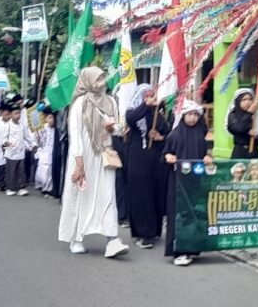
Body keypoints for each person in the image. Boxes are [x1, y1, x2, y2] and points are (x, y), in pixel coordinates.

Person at [58, 66, 130, 259]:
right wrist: (79, 163)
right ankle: (76, 238)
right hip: (83, 156)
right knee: (81, 195)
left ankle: (112, 240)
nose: (102, 83)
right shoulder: (80, 103)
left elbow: (119, 129)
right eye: (97, 79)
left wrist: (113, 128)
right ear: (88, 81)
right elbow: (75, 135)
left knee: (108, 195)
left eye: (102, 78)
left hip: (105, 154)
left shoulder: (110, 101)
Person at [163, 99, 214, 266]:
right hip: (177, 181)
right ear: (183, 115)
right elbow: (165, 153)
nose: (193, 118)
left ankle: (191, 247)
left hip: (195, 181)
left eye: (195, 115)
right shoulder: (175, 134)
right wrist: (168, 157)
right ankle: (178, 251)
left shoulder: (200, 135)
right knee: (178, 214)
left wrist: (207, 157)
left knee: (193, 212)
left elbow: (204, 153)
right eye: (189, 114)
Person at [125, 84, 170, 249]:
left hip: (155, 159)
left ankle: (153, 230)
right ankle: (142, 232)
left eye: (152, 95)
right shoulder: (133, 111)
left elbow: (167, 133)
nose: (150, 98)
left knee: (154, 193)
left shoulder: (157, 114)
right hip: (138, 158)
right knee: (140, 193)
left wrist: (160, 137)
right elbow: (131, 119)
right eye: (146, 96)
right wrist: (146, 105)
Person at [0, 103, 37, 197]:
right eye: (16, 113)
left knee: (21, 171)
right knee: (11, 171)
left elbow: (27, 136)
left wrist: (33, 145)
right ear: (11, 114)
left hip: (20, 152)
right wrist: (6, 143)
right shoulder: (7, 125)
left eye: (19, 113)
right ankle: (10, 188)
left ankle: (21, 188)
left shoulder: (22, 125)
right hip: (11, 152)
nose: (18, 115)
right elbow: (3, 138)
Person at [227, 88, 258, 159]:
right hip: (239, 153)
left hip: (254, 153)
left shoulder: (256, 116)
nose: (247, 102)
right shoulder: (233, 115)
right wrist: (249, 113)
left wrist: (257, 136)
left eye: (250, 99)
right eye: (244, 100)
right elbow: (239, 128)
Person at [34, 108, 56, 197]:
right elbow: (40, 141)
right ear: (45, 118)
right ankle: (41, 185)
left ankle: (47, 189)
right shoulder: (43, 128)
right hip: (44, 152)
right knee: (42, 171)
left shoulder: (56, 129)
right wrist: (37, 139)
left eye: (52, 118)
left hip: (51, 153)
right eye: (49, 118)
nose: (51, 120)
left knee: (48, 172)